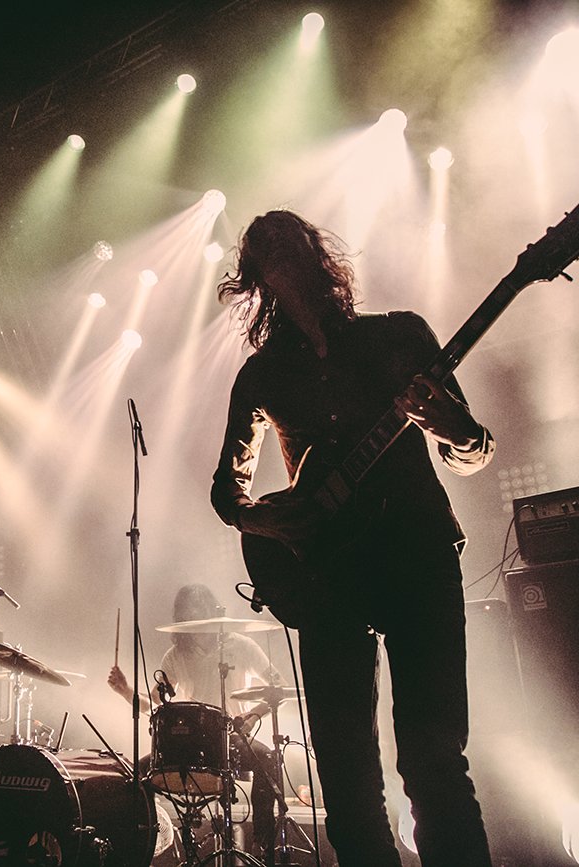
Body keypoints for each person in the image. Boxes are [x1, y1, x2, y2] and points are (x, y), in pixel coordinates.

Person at [210, 209, 494, 866]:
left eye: (291, 249)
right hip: (327, 578)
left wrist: (452, 426)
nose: (284, 264)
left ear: (317, 256)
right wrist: (263, 519)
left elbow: (474, 448)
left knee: (434, 762)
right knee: (346, 781)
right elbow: (228, 490)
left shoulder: (399, 335)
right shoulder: (263, 375)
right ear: (257, 278)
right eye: (268, 256)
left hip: (417, 555)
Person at [108, 583, 283, 858]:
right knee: (135, 775)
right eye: (188, 615)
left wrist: (253, 716)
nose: (194, 620)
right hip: (191, 741)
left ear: (210, 613)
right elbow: (155, 705)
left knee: (270, 760)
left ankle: (261, 845)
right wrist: (125, 691)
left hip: (233, 736)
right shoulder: (175, 655)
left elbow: (278, 687)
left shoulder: (242, 646)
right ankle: (144, 847)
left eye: (198, 613)